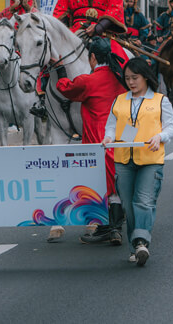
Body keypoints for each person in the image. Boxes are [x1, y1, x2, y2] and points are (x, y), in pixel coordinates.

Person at [102, 57, 173, 267]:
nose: (131, 82)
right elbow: (111, 126)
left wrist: (159, 137)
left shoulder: (161, 100)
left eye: (135, 78)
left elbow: (170, 128)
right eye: (127, 78)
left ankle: (141, 242)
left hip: (150, 159)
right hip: (123, 159)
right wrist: (108, 138)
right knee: (128, 204)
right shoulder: (119, 100)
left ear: (145, 77)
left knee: (144, 201)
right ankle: (135, 248)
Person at [53, 37, 126, 245]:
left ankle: (109, 228)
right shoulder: (119, 78)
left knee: (101, 185)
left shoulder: (89, 80)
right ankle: (115, 227)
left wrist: (60, 71)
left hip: (98, 141)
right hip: (119, 139)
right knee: (115, 185)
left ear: (92, 57)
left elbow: (66, 88)